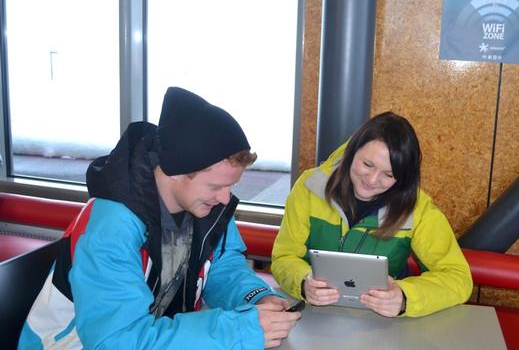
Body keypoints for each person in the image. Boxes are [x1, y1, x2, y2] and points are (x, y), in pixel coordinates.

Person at [18, 87, 300, 350]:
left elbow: (223, 268)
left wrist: (255, 298)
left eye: (231, 186)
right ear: (175, 171)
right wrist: (237, 331)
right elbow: (114, 341)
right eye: (216, 187)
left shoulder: (206, 206)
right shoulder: (110, 228)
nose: (226, 199)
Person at [271, 112, 473, 318]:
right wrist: (304, 282)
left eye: (389, 174)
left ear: (403, 178)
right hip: (314, 315)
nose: (372, 179)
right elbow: (284, 257)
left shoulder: (418, 209)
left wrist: (404, 298)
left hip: (381, 321)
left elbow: (458, 278)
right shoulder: (309, 188)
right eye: (367, 165)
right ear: (351, 152)